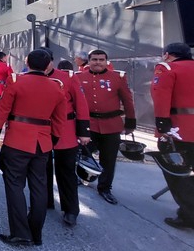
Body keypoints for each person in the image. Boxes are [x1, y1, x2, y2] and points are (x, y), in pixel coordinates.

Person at [0, 49, 67, 247]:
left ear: (27, 62)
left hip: (17, 140)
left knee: (14, 186)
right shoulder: (57, 87)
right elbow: (59, 120)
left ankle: (21, 233)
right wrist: (53, 140)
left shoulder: (16, 82)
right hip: (42, 143)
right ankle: (36, 234)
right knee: (39, 188)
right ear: (48, 65)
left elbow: (2, 110)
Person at [76, 49, 136, 205]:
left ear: (106, 61)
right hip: (88, 124)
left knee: (108, 160)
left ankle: (105, 188)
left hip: (111, 125)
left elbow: (128, 101)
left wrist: (130, 122)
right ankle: (83, 177)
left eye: (101, 59)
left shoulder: (117, 77)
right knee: (84, 156)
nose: (97, 62)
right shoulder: (78, 77)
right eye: (94, 59)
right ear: (88, 61)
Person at [40, 48, 91, 227]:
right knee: (41, 170)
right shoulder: (31, 78)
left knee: (66, 172)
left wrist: (84, 131)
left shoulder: (68, 77)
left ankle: (70, 210)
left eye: (46, 61)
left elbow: (81, 103)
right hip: (41, 130)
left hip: (66, 131)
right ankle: (44, 202)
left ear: (52, 61)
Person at [150, 42, 194, 230]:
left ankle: (188, 216)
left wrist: (162, 125)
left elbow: (161, 96)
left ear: (167, 55)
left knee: (178, 173)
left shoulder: (166, 68)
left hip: (178, 130)